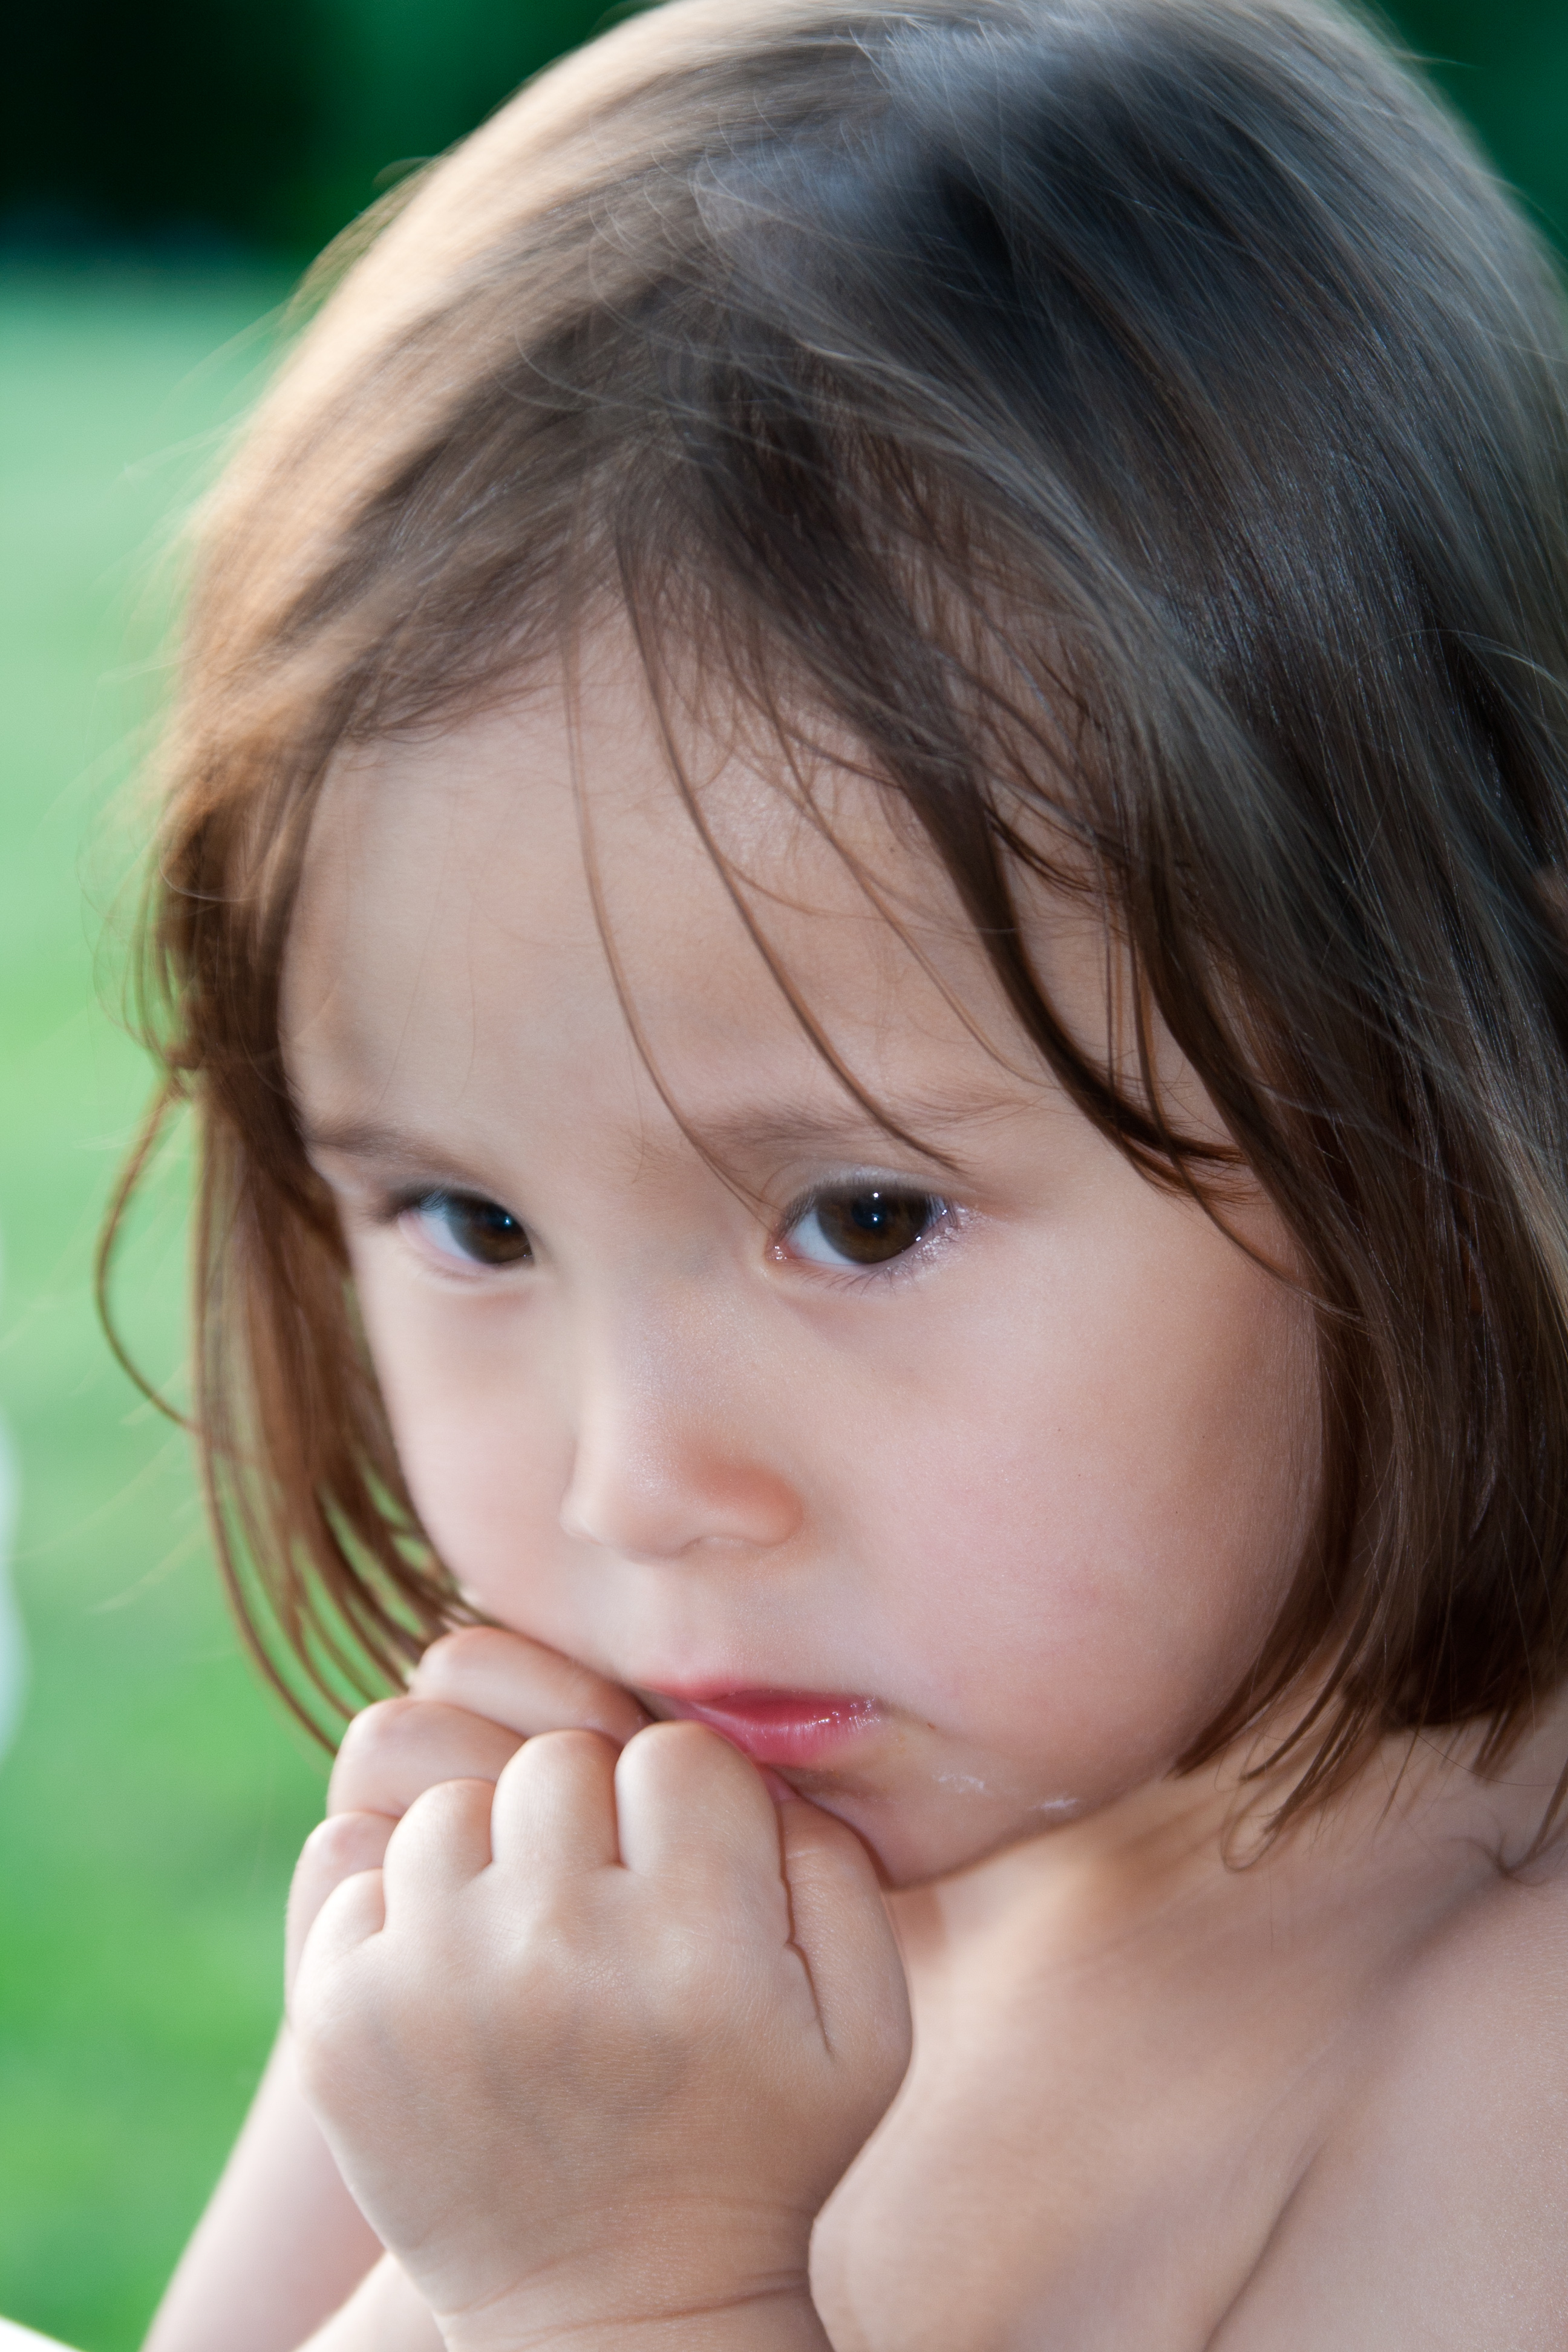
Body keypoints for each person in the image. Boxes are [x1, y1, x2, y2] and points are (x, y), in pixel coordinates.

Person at [127, 0, 1568, 2343]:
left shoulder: (1499, 2075)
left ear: (1462, 1065)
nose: (638, 1488)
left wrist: (636, 2292)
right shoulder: (567, 1913)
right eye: (474, 1222)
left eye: (862, 1219)